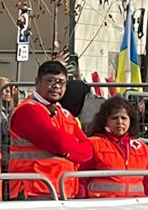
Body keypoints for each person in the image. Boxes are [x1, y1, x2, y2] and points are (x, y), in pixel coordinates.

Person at [9, 61, 93, 199]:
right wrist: (72, 146)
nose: (56, 87)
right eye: (50, 81)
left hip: (62, 190)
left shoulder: (63, 112)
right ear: (37, 82)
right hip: (34, 190)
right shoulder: (27, 110)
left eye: (61, 82)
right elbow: (59, 143)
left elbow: (88, 150)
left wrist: (66, 150)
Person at [79, 95, 148, 198]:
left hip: (135, 207)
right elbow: (81, 178)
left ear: (131, 121)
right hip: (101, 207)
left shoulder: (141, 147)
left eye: (124, 118)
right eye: (114, 118)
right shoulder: (94, 144)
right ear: (105, 120)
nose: (120, 122)